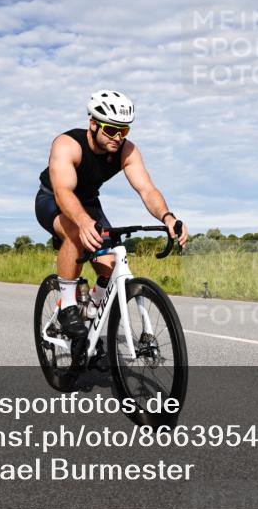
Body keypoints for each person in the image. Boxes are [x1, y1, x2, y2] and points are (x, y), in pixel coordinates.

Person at [35, 91, 188, 338]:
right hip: (52, 198)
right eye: (110, 130)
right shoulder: (68, 144)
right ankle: (68, 307)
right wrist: (83, 222)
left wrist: (168, 217)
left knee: (110, 268)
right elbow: (63, 191)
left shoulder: (127, 151)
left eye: (124, 131)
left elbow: (146, 189)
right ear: (93, 124)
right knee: (76, 234)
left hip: (89, 203)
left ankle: (91, 313)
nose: (118, 137)